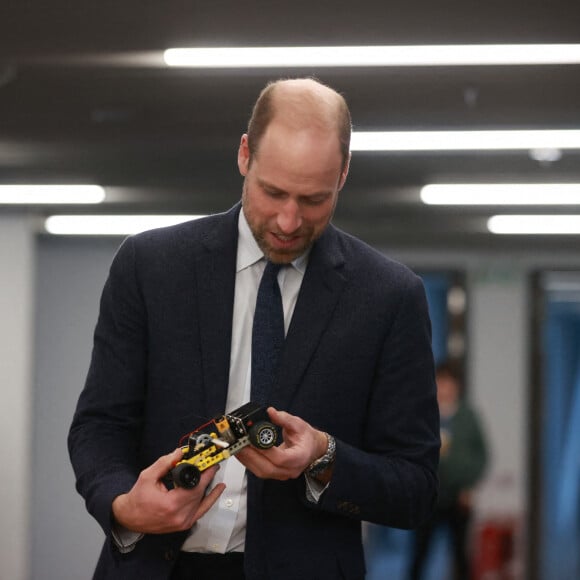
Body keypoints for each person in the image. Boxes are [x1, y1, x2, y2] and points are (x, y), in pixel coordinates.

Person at [68, 77, 440, 580]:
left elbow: (415, 487)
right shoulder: (150, 266)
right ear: (245, 155)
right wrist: (122, 503)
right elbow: (99, 425)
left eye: (313, 200)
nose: (288, 221)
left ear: (344, 175)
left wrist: (324, 457)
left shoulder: (388, 297)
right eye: (273, 192)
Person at [408, 361, 488, 580]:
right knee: (419, 554)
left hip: (458, 499)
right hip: (429, 498)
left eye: (448, 383)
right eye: (440, 382)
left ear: (457, 386)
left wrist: (468, 485)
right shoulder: (424, 414)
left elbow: (482, 455)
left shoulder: (468, 417)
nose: (444, 388)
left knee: (461, 555)